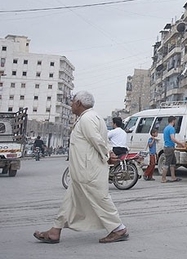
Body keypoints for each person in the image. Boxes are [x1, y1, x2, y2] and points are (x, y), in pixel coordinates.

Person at [33, 91, 129, 244]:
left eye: (72, 101)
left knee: (100, 198)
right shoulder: (91, 117)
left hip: (88, 170)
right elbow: (101, 140)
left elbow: (97, 140)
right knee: (70, 200)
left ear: (78, 103)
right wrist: (108, 153)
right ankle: (54, 231)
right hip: (82, 170)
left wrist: (108, 155)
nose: (71, 104)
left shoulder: (87, 119)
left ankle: (119, 229)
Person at [161, 116, 184, 183]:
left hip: (168, 147)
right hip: (169, 147)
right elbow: (172, 138)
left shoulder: (166, 128)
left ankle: (173, 177)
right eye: (175, 121)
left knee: (173, 163)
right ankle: (163, 178)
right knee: (167, 163)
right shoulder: (171, 128)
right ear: (173, 121)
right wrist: (180, 143)